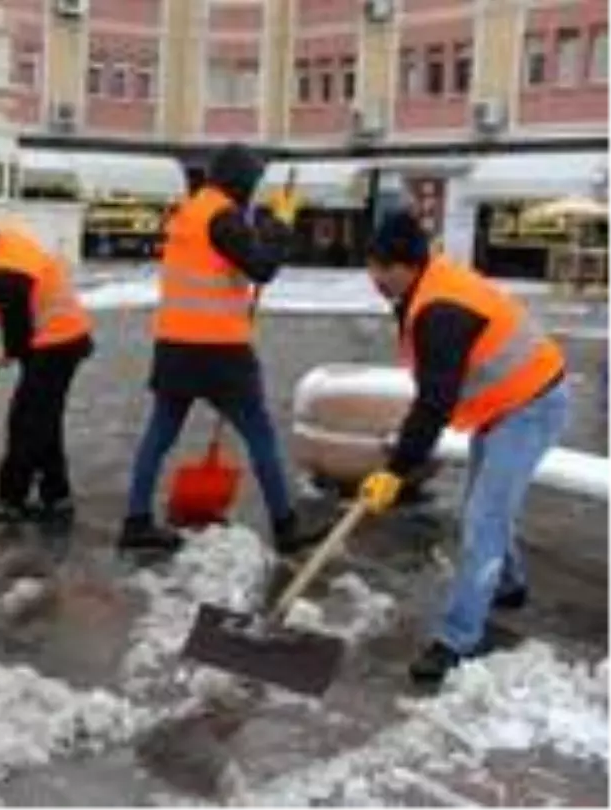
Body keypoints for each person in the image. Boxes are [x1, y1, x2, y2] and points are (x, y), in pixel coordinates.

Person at [359, 210, 569, 687]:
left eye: (378, 268)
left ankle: (456, 639)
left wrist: (398, 469)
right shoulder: (424, 288)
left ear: (403, 265)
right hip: (504, 404)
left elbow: (434, 401)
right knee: (486, 504)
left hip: (531, 405)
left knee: (482, 518)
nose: (372, 278)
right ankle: (509, 585)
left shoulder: (440, 310)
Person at [119, 143, 316, 557]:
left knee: (159, 435)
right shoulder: (223, 217)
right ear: (241, 182)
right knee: (260, 435)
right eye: (253, 184)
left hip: (174, 346)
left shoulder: (190, 212)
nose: (253, 191)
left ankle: (136, 521)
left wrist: (262, 229)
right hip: (221, 353)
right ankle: (285, 526)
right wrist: (280, 222)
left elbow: (232, 256)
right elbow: (262, 266)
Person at [0, 208, 94, 526]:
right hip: (62, 338)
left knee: (26, 422)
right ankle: (56, 495)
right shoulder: (5, 244)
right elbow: (20, 317)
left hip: (56, 343)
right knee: (43, 420)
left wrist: (12, 351)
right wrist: (14, 350)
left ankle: (10, 499)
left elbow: (17, 321)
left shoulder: (3, 270)